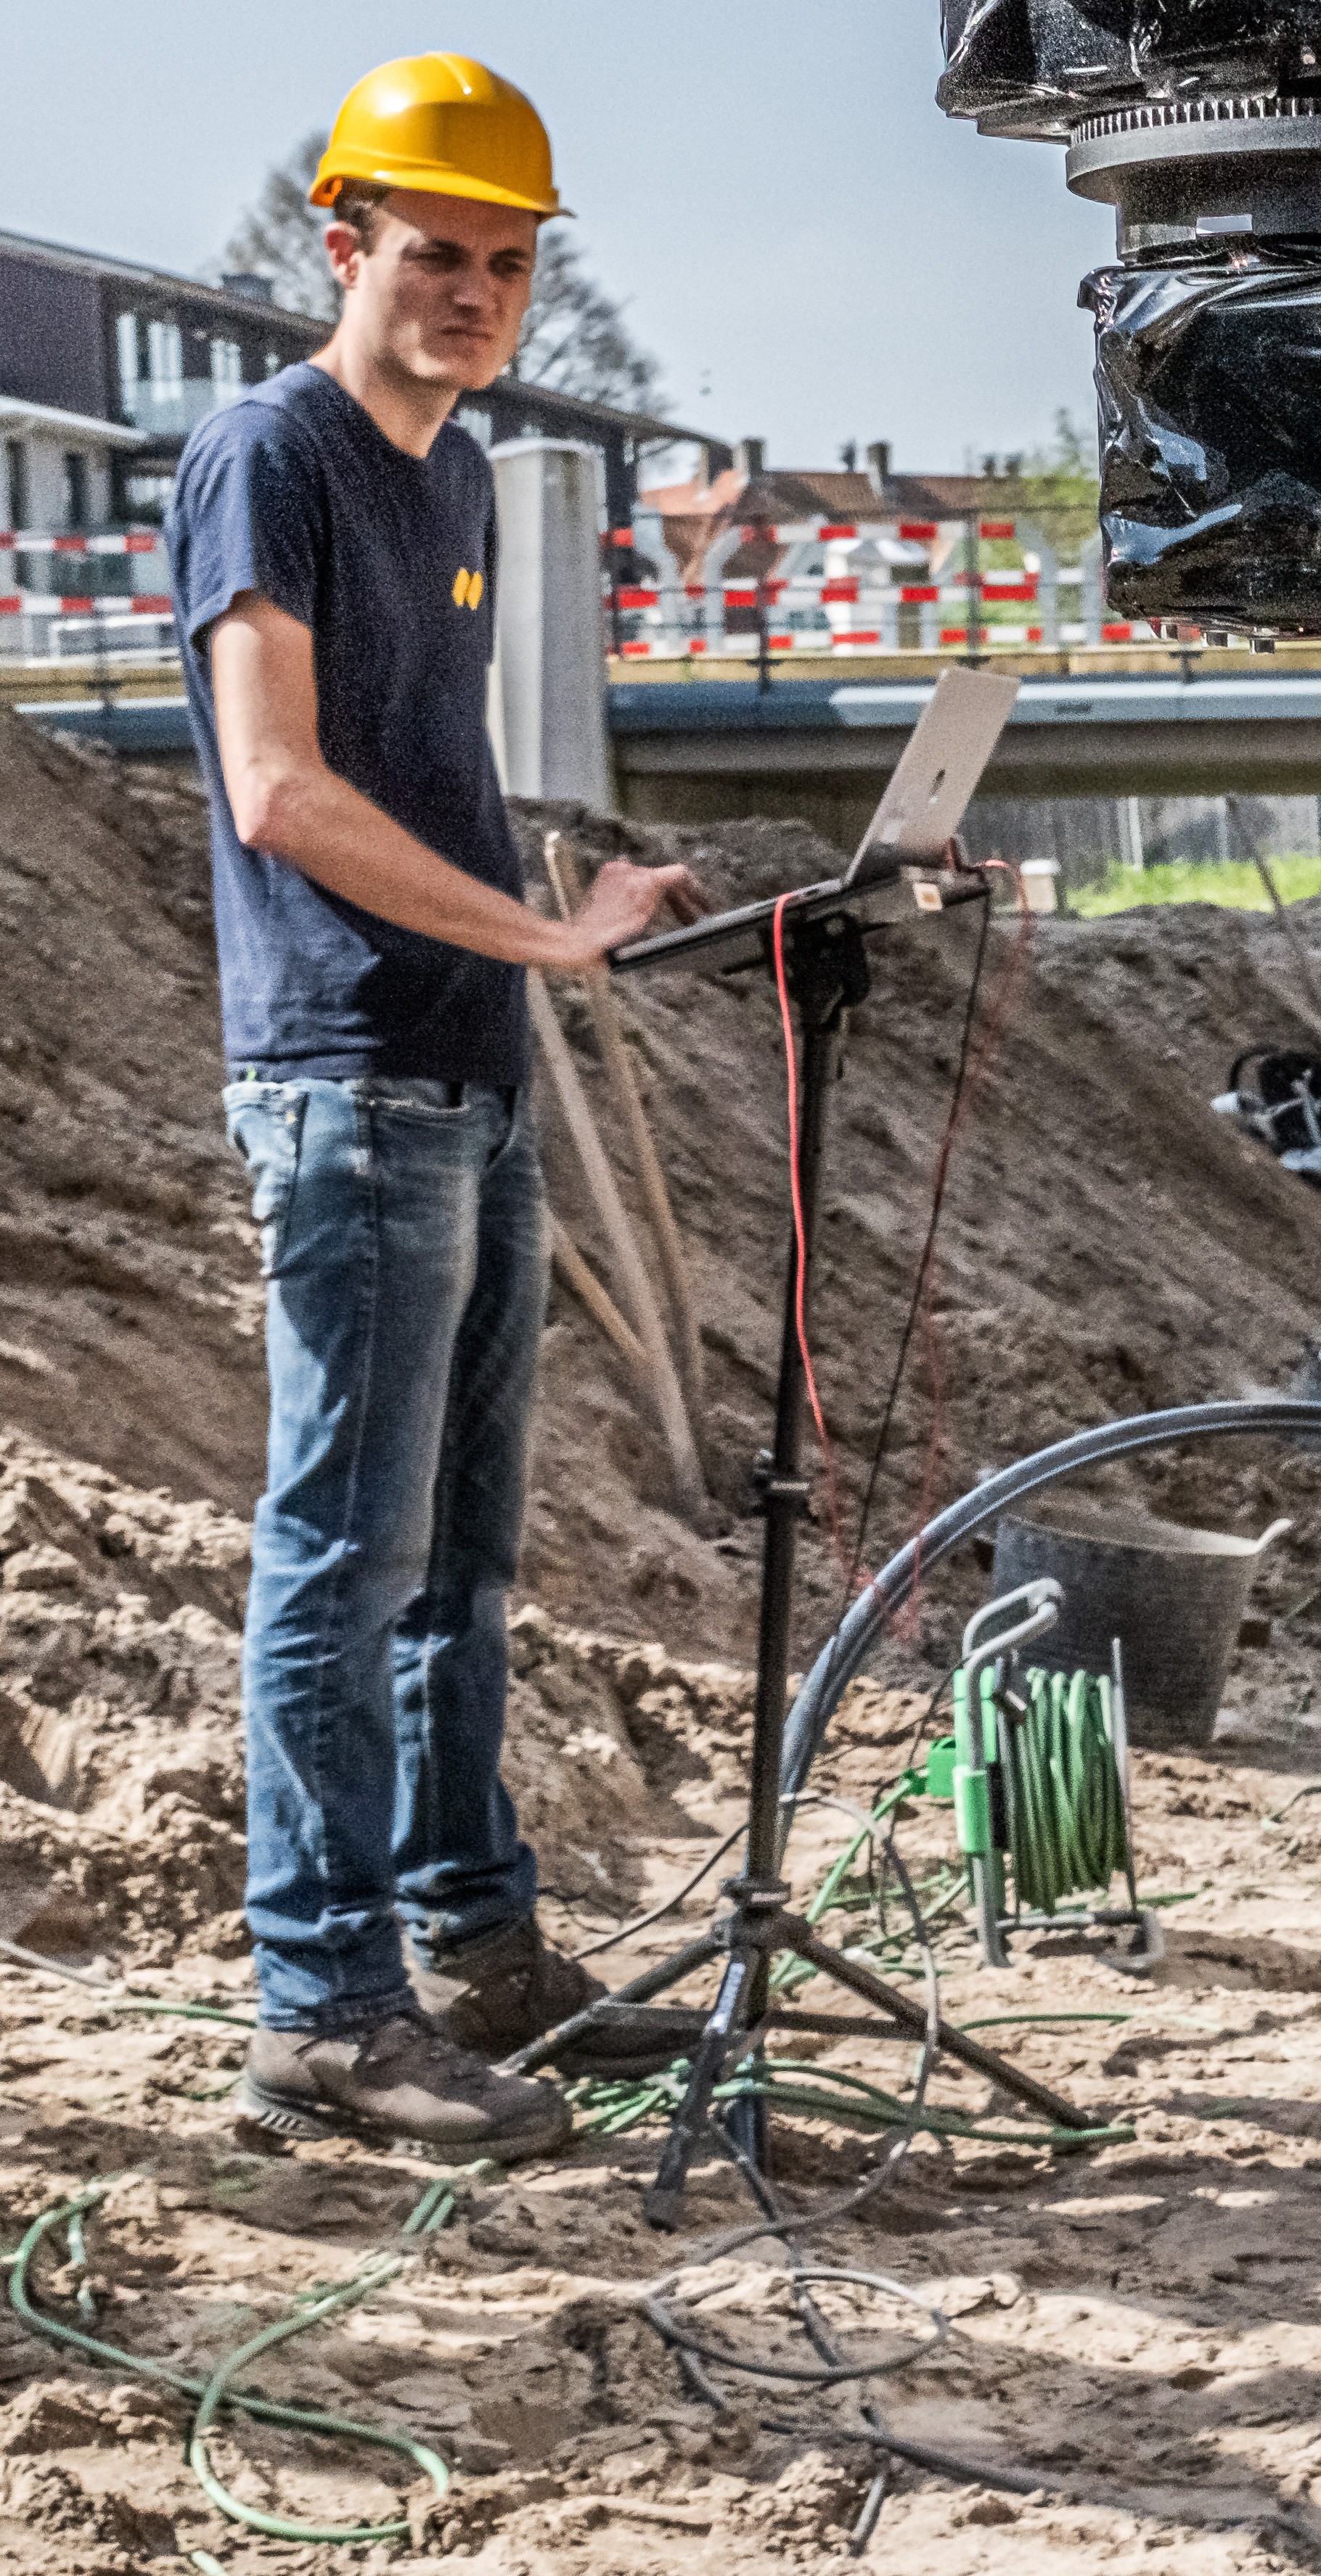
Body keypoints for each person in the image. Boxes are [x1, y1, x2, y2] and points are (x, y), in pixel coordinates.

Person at [176, 54, 691, 2159]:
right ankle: (321, 2007)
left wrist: (546, 910)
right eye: (434, 252)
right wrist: (540, 943)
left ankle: (478, 1950)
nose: (473, 290)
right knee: (342, 1552)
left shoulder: (456, 472)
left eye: (504, 260)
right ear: (345, 245)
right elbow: (278, 789)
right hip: (348, 1078)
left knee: (462, 1562)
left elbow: (421, 766)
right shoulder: (265, 453)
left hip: (464, 1073)